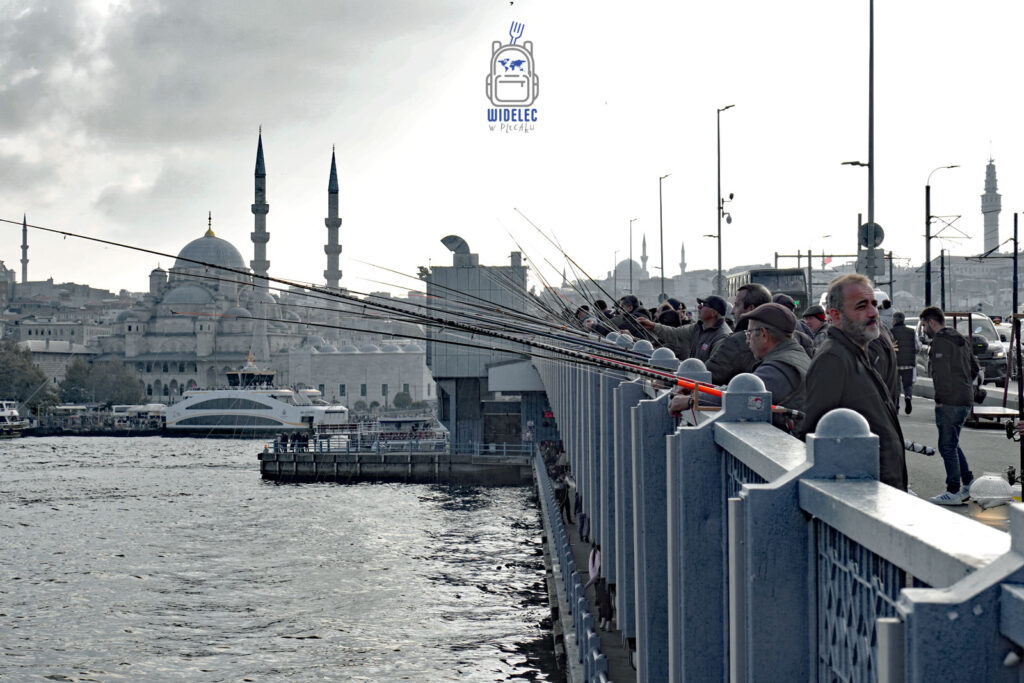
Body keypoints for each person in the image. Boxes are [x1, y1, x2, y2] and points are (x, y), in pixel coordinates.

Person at [799, 273, 908, 491]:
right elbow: (814, 434)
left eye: (874, 304)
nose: (873, 312)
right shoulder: (834, 359)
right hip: (863, 493)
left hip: (876, 489)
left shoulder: (857, 354)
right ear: (836, 315)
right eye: (861, 306)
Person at [669, 303, 809, 432]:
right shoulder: (794, 356)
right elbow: (737, 390)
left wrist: (692, 400)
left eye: (749, 334)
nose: (747, 341)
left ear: (764, 334)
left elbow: (740, 395)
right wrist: (698, 390)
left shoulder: (780, 368)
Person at [920, 305, 978, 505]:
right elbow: (975, 368)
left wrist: (941, 398)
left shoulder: (940, 341)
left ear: (932, 322)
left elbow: (941, 374)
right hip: (965, 398)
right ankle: (968, 481)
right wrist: (964, 385)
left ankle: (953, 490)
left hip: (950, 401)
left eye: (924, 325)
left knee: (946, 446)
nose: (924, 330)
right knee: (952, 443)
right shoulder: (960, 339)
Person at [707, 283, 771, 385]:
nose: (732, 311)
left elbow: (708, 376)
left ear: (751, 309)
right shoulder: (783, 337)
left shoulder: (736, 342)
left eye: (737, 305)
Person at [889, 311, 920, 414]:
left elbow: (888, 347)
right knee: (908, 385)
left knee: (896, 386)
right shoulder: (911, 332)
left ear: (895, 321)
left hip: (895, 364)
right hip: (908, 364)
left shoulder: (891, 332)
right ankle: (908, 397)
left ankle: (896, 406)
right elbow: (918, 346)